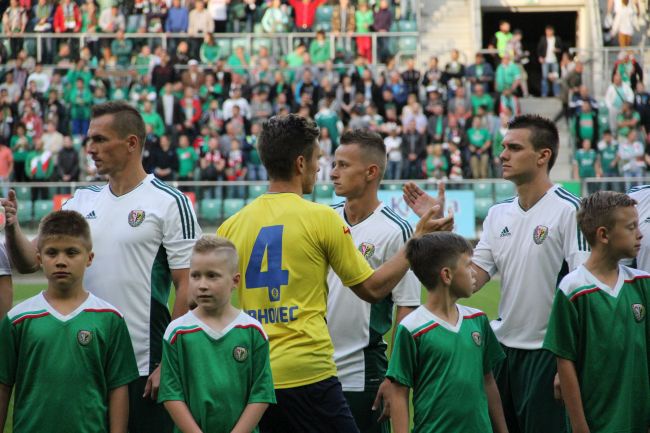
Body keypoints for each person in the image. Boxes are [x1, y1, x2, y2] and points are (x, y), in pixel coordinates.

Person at [216, 114, 453, 433]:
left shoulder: (231, 225)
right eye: (318, 159)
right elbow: (371, 288)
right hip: (309, 371)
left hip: (255, 374)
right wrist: (417, 243)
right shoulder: (322, 218)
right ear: (301, 164)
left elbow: (202, 303)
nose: (323, 169)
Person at [2, 101, 201, 433]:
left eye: (99, 139)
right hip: (83, 358)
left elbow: (188, 286)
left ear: (131, 143)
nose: (90, 148)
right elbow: (28, 261)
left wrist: (170, 362)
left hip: (143, 365)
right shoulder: (81, 201)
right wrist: (12, 227)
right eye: (89, 140)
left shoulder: (169, 202)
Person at [403, 114, 591, 433]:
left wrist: (568, 363)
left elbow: (584, 293)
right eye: (503, 146)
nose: (502, 154)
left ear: (543, 155)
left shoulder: (570, 210)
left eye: (514, 148)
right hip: (501, 354)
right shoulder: (497, 214)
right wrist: (442, 238)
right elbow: (471, 280)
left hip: (547, 356)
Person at [0, 210, 139, 432]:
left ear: (89, 258)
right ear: (39, 259)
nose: (61, 261)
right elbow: (3, 385)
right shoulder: (19, 319)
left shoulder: (110, 318)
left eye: (72, 252)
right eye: (52, 253)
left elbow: (118, 388)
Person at [326, 130, 421, 433]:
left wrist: (394, 377)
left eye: (342, 165)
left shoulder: (397, 230)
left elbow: (406, 308)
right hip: (314, 366)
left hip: (362, 372)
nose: (333, 173)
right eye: (333, 164)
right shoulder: (323, 220)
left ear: (371, 172)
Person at [543, 191, 649, 433]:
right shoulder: (573, 289)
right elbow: (565, 362)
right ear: (604, 234)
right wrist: (580, 426)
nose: (640, 234)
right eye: (631, 227)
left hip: (638, 421)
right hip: (595, 423)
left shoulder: (643, 284)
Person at [386, 232, 508, 433]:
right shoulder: (412, 328)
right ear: (447, 275)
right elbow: (399, 393)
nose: (474, 272)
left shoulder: (477, 320)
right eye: (468, 265)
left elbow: (488, 380)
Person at [159, 235, 275, 432]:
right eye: (195, 276)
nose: (202, 284)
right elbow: (171, 394)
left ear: (235, 280)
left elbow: (261, 393)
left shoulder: (252, 331)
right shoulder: (177, 332)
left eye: (212, 276)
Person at [537, 25, 563, 98]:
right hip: (545, 61)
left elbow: (561, 48)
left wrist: (557, 50)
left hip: (554, 60)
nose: (548, 32)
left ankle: (557, 93)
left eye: (549, 31)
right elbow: (539, 49)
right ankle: (544, 93)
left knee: (555, 77)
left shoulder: (557, 39)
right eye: (547, 31)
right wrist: (540, 57)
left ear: (552, 31)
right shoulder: (543, 39)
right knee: (545, 77)